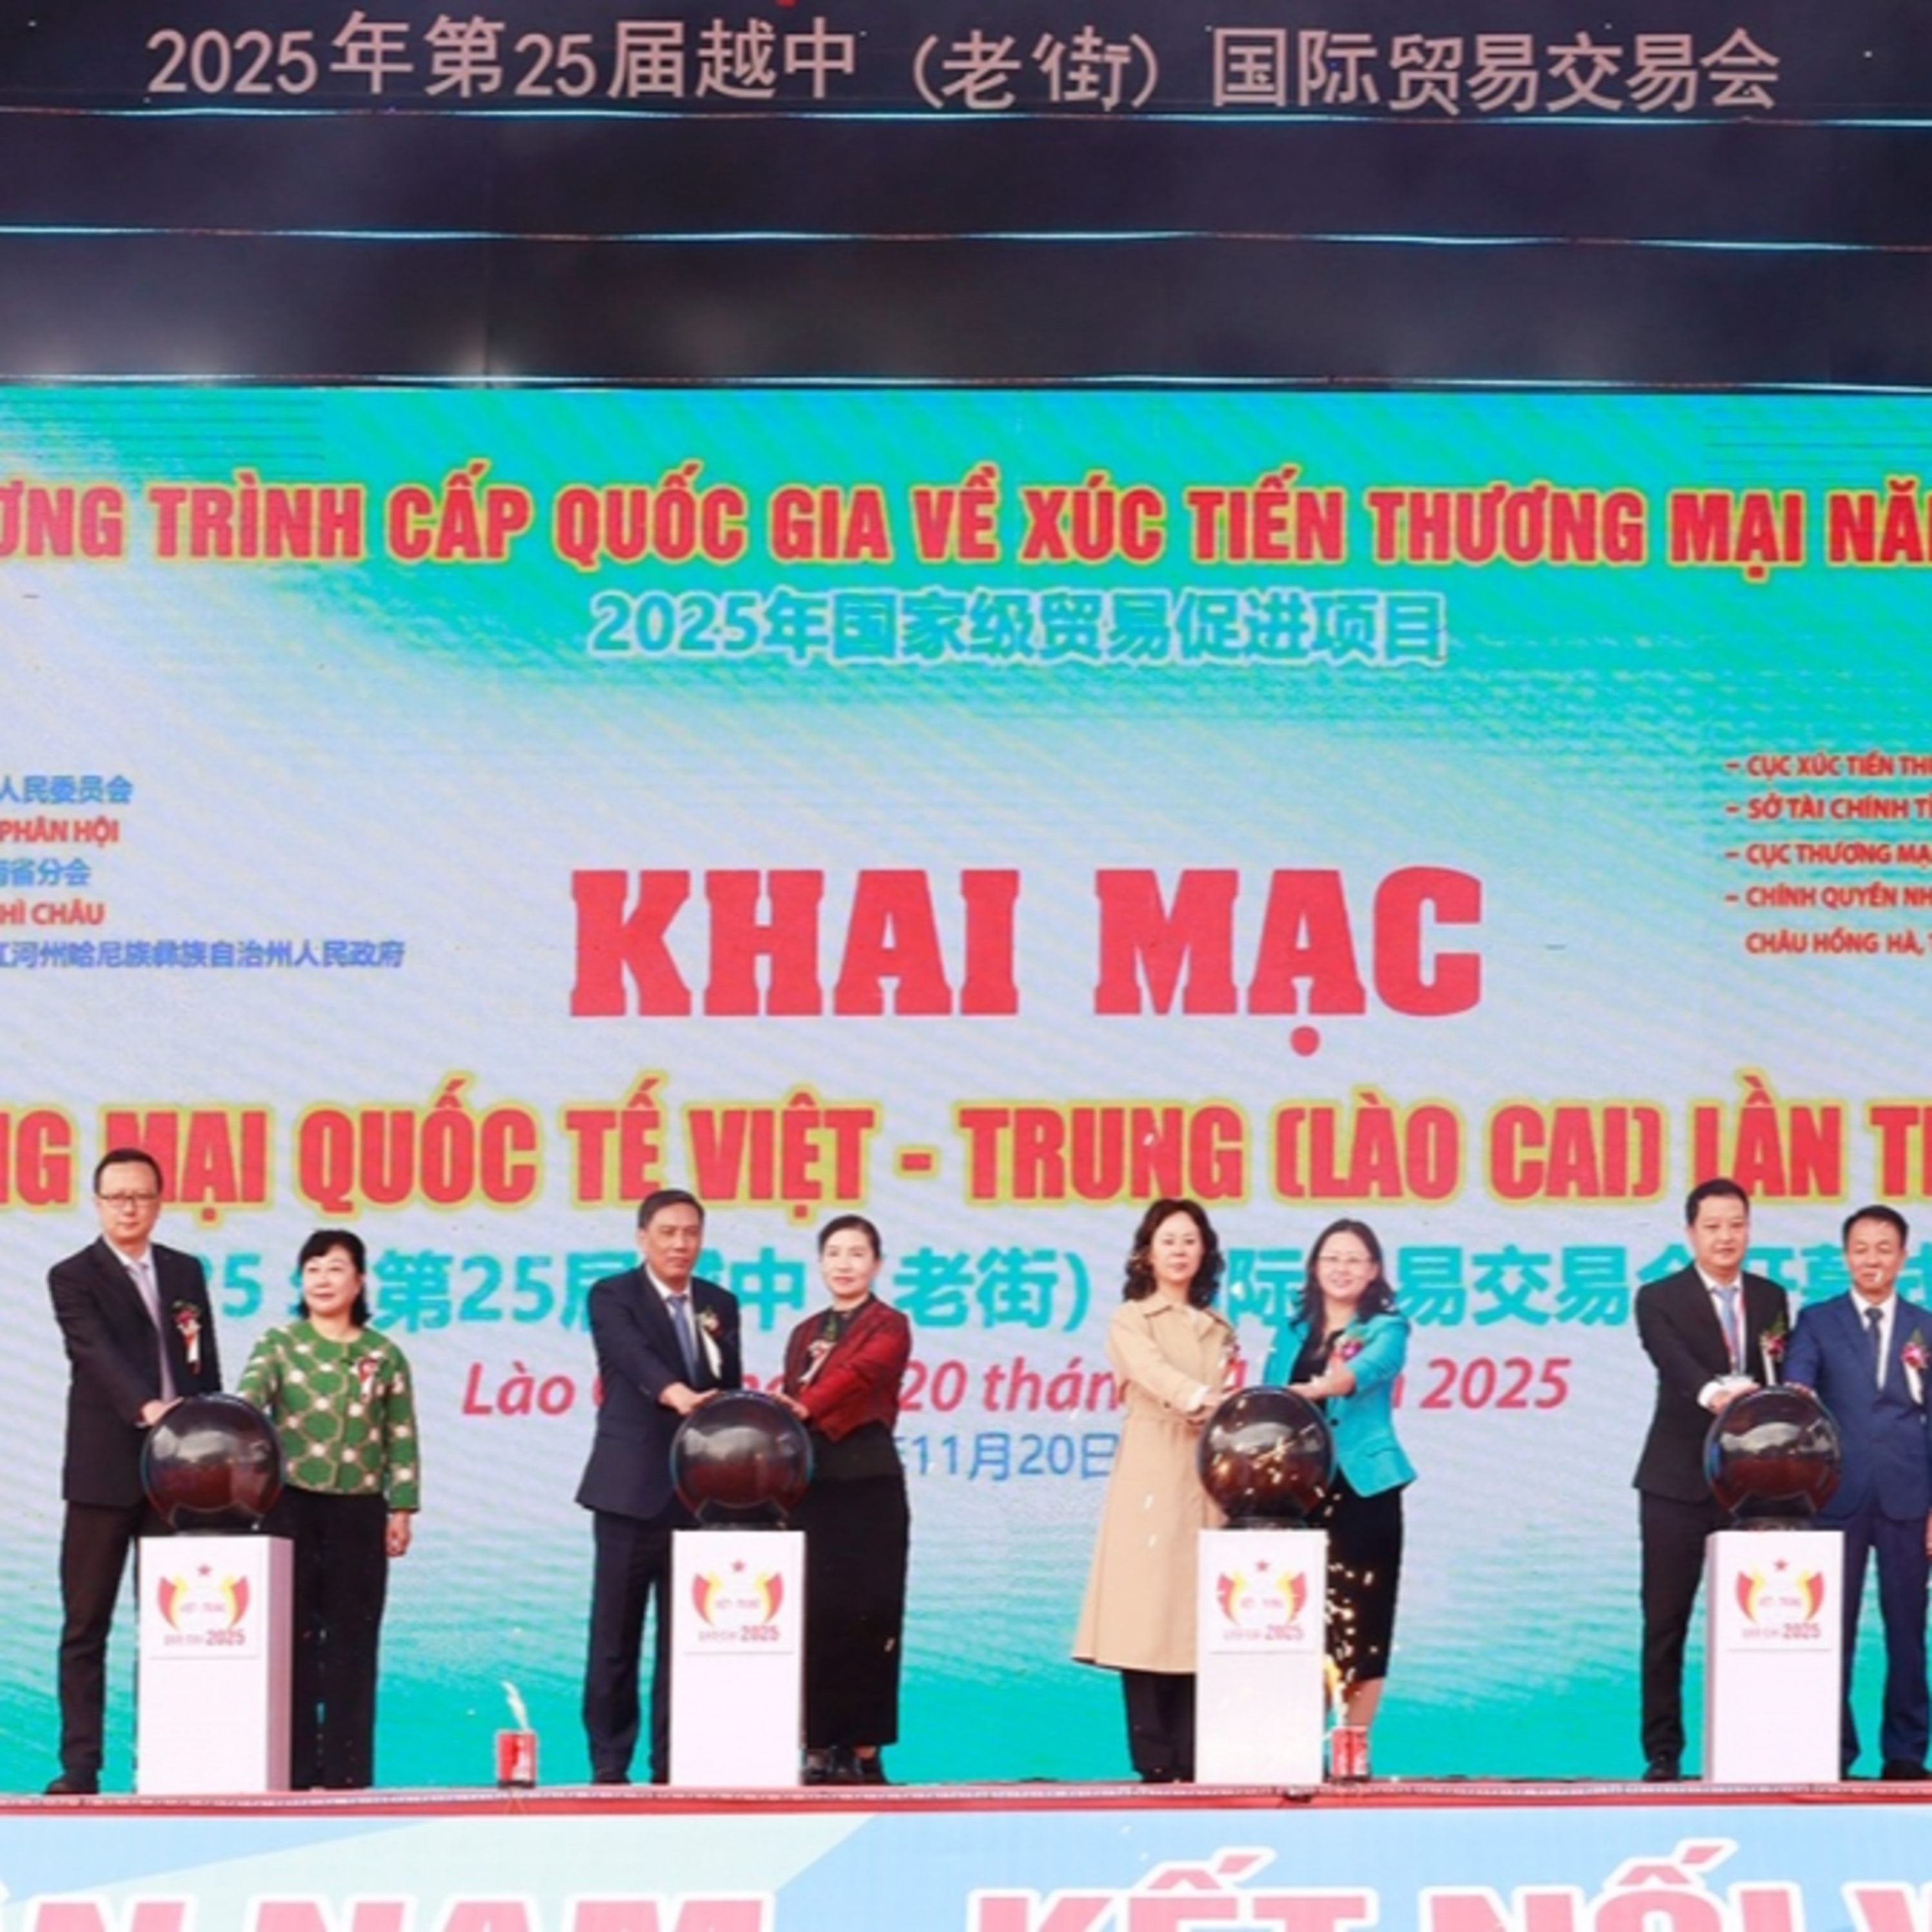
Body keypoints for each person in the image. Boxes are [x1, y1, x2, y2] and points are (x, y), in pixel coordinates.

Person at [46, 1146, 222, 1796]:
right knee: (85, 1624)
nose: (129, 1207)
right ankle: (81, 1766)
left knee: (178, 1626)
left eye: (141, 1196)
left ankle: (176, 1761)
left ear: (159, 1202)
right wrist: (149, 1409)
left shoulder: (183, 1271)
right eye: (117, 1197)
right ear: (97, 1204)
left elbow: (203, 1361)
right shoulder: (73, 1276)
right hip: (103, 1473)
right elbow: (94, 1351)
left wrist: (211, 1430)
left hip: (179, 1475)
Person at [236, 1229, 419, 1789]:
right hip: (289, 1507)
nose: (322, 1279)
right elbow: (248, 1402)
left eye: (336, 1268)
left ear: (358, 1282)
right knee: (291, 1640)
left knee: (352, 1642)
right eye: (312, 1268)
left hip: (359, 1512)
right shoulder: (279, 1344)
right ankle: (291, 1771)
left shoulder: (384, 1354)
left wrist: (401, 1509)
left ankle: (347, 1772)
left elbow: (401, 1435)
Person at [577, 1187, 743, 1785]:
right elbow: (632, 1356)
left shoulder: (719, 1303)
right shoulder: (612, 1295)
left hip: (700, 1495)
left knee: (687, 1640)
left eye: (691, 1233)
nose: (680, 1244)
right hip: (628, 1492)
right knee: (615, 1637)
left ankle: (673, 1765)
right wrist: (678, 1395)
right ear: (642, 1237)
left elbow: (728, 1386)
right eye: (668, 1233)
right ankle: (609, 1764)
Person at [1072, 1197, 1235, 1783]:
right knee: (1144, 1616)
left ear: (1205, 1252)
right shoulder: (1131, 1319)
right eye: (1169, 1240)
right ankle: (1153, 1758)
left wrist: (1218, 1405)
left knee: (1196, 1613)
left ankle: (1194, 1754)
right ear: (1147, 1252)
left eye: (1190, 1241)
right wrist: (1201, 1399)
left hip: (1206, 1470)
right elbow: (1151, 1372)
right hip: (1153, 1464)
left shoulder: (1219, 1326)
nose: (1179, 1251)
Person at [1633, 1176, 1787, 1781]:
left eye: (1737, 1225)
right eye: (1714, 1226)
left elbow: (1777, 1370)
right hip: (1675, 1482)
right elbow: (1673, 1363)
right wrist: (1716, 1394)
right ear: (1691, 1233)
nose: (1727, 1237)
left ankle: (1753, 1745)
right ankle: (1663, 1752)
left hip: (1751, 1483)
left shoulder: (1771, 1297)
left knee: (1756, 1621)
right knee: (1665, 1621)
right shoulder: (1658, 1298)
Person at [1784, 1204, 1932, 1779]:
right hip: (1836, 1497)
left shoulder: (1924, 1325)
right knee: (1830, 1630)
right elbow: (1799, 1383)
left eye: (1884, 1248)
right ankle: (1831, 1751)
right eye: (1862, 1248)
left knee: (1908, 1630)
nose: (1873, 1259)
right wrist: (1795, 1390)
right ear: (1846, 1256)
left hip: (1908, 1496)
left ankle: (1905, 1754)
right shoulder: (1818, 1321)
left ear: (1903, 1257)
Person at [1265, 1218, 1416, 1737]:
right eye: (1332, 1258)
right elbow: (1269, 1400)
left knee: (1365, 1617)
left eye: (1354, 1259)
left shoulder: (1388, 1328)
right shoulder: (1290, 1332)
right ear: (1314, 1268)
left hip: (1363, 1488)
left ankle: (1353, 1740)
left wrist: (1316, 1389)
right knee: (1301, 1617)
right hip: (1295, 1492)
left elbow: (1365, 1373)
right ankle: (1301, 1740)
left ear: (1373, 1271)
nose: (1342, 1268)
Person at [778, 1213, 913, 1785]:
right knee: (816, 1613)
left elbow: (860, 1375)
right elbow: (789, 1397)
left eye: (857, 1253)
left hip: (869, 1480)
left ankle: (864, 1748)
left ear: (876, 1264)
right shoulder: (805, 1331)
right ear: (820, 1263)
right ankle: (816, 1744)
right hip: (812, 1485)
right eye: (834, 1253)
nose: (844, 1264)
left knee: (872, 1614)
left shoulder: (890, 1325)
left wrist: (806, 1406)